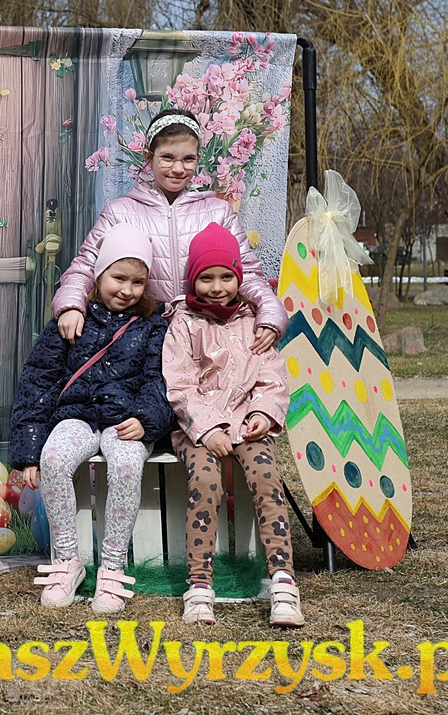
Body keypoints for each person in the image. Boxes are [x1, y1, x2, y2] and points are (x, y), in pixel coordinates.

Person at [10, 223, 175, 612]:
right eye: (119, 278)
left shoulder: (153, 326)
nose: (127, 290)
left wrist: (146, 419)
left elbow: (161, 378)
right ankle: (68, 560)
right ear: (99, 275)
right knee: (54, 459)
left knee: (127, 464)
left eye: (137, 281)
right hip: (78, 415)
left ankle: (112, 567)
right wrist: (30, 451)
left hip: (125, 420)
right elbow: (39, 381)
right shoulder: (72, 320)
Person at [162, 222, 303, 627]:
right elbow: (179, 383)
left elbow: (272, 377)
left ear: (239, 278)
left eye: (226, 277)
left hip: (247, 424)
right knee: (206, 482)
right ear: (193, 279)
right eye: (206, 278)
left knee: (266, 478)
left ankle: (282, 580)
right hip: (197, 430)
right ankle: (199, 584)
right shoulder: (184, 324)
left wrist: (263, 413)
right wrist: (207, 429)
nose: (217, 287)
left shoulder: (253, 322)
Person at [53, 108, 286, 352]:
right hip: (139, 337)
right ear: (148, 156)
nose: (178, 169)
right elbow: (85, 268)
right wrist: (71, 306)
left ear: (198, 158)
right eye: (167, 157)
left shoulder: (218, 212)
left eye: (188, 159)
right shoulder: (119, 212)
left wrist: (269, 312)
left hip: (206, 336)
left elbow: (246, 272)